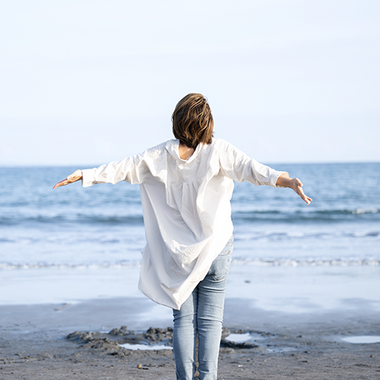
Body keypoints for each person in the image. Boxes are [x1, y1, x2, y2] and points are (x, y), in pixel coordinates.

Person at [54, 93, 312, 380]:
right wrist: (287, 181)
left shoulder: (159, 156)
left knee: (183, 320)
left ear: (177, 121)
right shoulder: (219, 150)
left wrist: (85, 174)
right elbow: (254, 170)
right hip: (217, 249)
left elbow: (122, 168)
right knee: (211, 322)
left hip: (180, 254)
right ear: (207, 124)